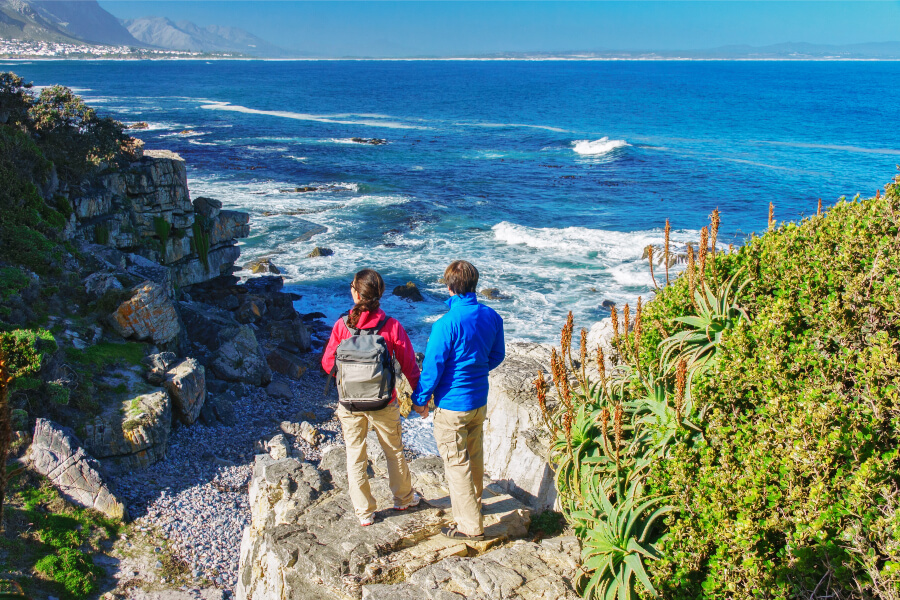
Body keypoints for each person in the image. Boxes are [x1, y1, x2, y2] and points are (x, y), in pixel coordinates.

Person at [411, 260, 505, 541]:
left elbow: (433, 368)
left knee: (457, 464)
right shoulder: (492, 316)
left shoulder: (445, 324)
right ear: (474, 285)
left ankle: (469, 527)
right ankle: (474, 505)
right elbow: (497, 355)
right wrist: (474, 369)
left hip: (452, 405)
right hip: (478, 400)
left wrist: (420, 399)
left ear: (450, 288)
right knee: (474, 457)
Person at [322, 268, 421, 526]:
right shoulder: (391, 326)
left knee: (356, 454)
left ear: (355, 293)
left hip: (350, 403)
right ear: (380, 295)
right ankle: (403, 498)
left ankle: (364, 512)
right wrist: (420, 399)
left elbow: (327, 364)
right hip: (384, 401)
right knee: (394, 451)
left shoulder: (342, 326)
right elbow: (410, 366)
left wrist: (350, 377)